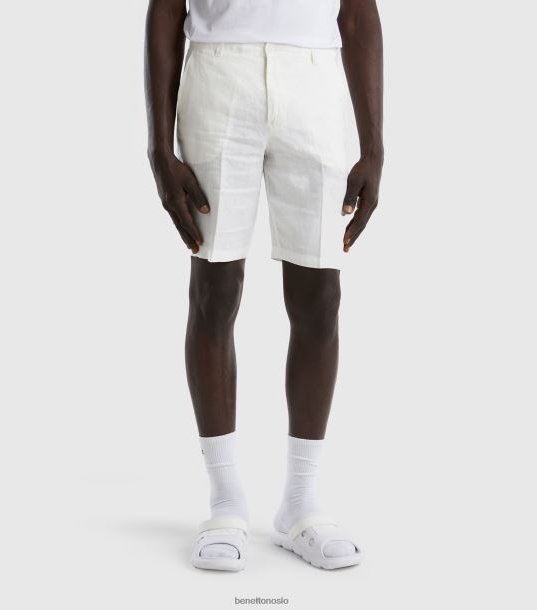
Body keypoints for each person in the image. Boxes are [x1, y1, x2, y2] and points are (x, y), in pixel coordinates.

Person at [144, 0, 383, 571]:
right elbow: (166, 9)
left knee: (320, 296)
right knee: (215, 289)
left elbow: (358, 15)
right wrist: (158, 146)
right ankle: (225, 504)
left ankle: (301, 504)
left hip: (314, 79)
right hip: (218, 74)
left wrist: (374, 146)